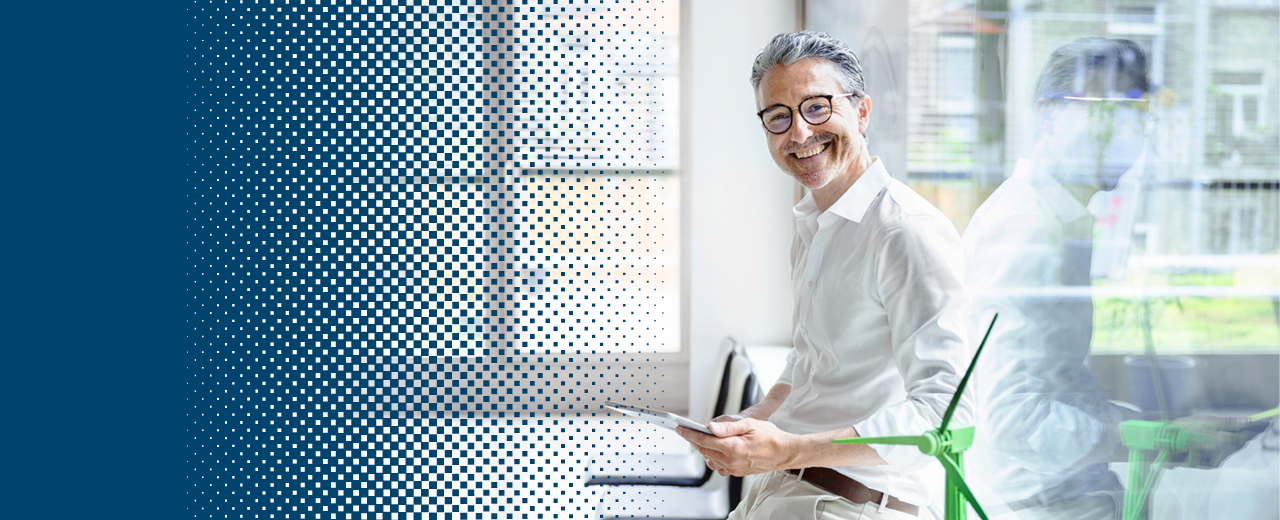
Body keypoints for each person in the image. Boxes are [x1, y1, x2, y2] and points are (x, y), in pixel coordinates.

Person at [676, 31, 973, 520]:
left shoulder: (905, 231)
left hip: (851, 508)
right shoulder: (814, 222)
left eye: (817, 106)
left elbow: (944, 414)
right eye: (779, 116)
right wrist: (754, 421)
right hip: (783, 494)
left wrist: (790, 449)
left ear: (862, 111)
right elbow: (809, 359)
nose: (798, 132)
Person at [964, 38, 1263, 519]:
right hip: (1042, 505)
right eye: (1105, 112)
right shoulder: (1027, 228)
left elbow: (1050, 385)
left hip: (1065, 490)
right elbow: (1013, 420)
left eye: (1136, 115)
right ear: (1049, 115)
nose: (1127, 134)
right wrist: (1161, 438)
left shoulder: (1056, 217)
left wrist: (1159, 429)